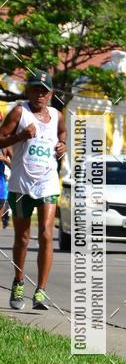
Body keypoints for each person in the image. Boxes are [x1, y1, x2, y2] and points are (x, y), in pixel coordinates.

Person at [0, 70, 67, 310]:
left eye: (44, 90)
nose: (39, 94)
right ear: (28, 90)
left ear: (50, 94)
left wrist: (63, 146)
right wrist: (20, 136)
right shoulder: (20, 112)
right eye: (35, 89)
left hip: (47, 182)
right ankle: (18, 282)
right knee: (23, 238)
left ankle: (41, 291)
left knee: (47, 233)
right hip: (20, 184)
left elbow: (62, 134)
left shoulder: (58, 115)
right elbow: (1, 139)